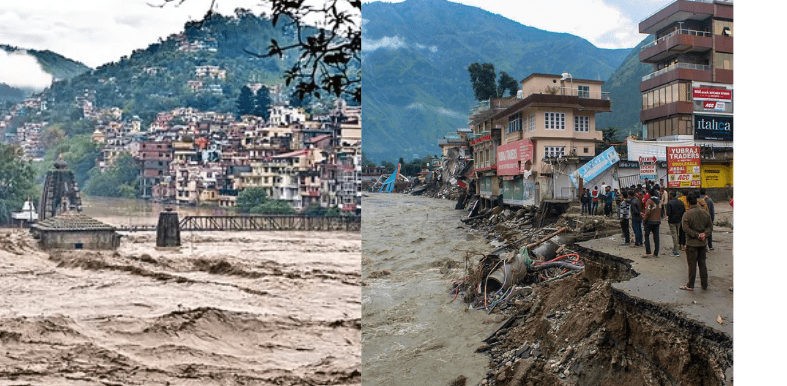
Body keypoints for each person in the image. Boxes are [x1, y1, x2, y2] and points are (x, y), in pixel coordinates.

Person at [680, 192, 713, 291]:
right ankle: (704, 284)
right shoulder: (705, 213)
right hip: (702, 244)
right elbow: (710, 227)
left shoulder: (687, 214)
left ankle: (690, 285)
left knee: (692, 265)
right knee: (702, 264)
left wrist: (696, 235)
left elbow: (685, 228)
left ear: (688, 202)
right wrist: (704, 234)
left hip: (692, 244)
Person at [642, 188, 662, 258]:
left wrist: (645, 220)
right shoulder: (659, 202)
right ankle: (656, 253)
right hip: (657, 221)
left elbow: (647, 212)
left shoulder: (649, 201)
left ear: (649, 194)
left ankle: (648, 252)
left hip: (650, 221)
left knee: (646, 235)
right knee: (656, 237)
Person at [665, 191, 685, 257]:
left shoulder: (670, 203)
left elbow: (668, 213)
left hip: (672, 221)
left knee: (674, 235)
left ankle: (676, 251)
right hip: (679, 220)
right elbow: (683, 211)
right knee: (677, 234)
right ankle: (676, 247)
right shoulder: (681, 202)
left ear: (671, 195)